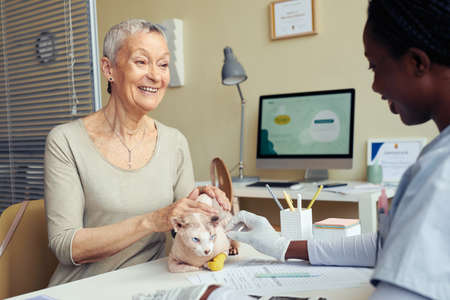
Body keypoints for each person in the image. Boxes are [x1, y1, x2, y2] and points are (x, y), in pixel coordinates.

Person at [138, 0, 449, 299]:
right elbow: (387, 246)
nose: (374, 86)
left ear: (416, 62)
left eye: (374, 66)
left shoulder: (439, 174)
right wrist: (283, 246)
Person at [44, 19, 229, 286]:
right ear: (109, 69)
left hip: (151, 286)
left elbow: (187, 236)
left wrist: (209, 213)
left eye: (163, 64)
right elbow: (66, 246)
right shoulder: (65, 141)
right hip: (85, 288)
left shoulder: (175, 142)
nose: (155, 75)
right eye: (141, 62)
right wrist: (153, 221)